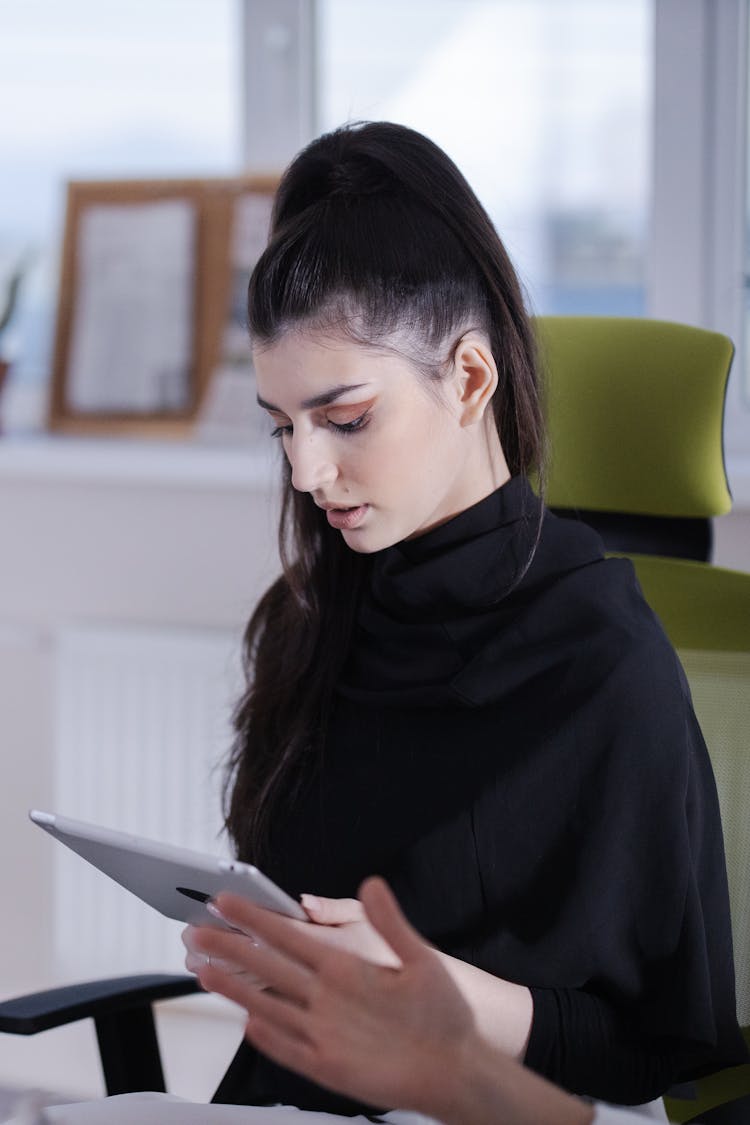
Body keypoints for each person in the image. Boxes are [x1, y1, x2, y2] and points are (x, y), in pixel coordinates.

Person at [183, 120, 745, 1116]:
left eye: (345, 419)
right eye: (283, 429)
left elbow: (652, 1049)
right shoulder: (312, 619)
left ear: (471, 379)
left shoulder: (602, 662)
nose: (309, 472)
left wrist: (436, 1004)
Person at [190, 878, 696, 1125]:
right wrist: (253, 944)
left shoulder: (619, 689)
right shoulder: (307, 693)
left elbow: (643, 1051)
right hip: (311, 1098)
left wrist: (441, 1001)